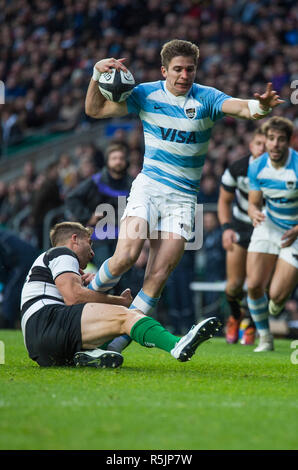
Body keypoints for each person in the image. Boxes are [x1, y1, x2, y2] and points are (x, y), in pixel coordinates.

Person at [85, 39, 283, 353]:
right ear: (164, 70)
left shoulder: (206, 98)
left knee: (158, 274)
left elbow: (243, 108)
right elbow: (94, 109)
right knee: (125, 257)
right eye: (177, 69)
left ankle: (115, 343)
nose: (184, 75)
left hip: (183, 199)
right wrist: (96, 75)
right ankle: (77, 306)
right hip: (149, 188)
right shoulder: (145, 94)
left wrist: (261, 107)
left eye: (190, 69)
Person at [20, 221, 222, 368]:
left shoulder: (51, 265)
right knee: (127, 316)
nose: (92, 251)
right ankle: (176, 345)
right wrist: (121, 302)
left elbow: (71, 297)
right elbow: (74, 297)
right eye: (89, 242)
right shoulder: (61, 253)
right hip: (47, 323)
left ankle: (89, 356)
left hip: (44, 348)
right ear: (74, 239)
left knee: (116, 321)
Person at [246, 116, 298, 352]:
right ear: (265, 141)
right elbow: (253, 203)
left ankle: (276, 304)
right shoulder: (257, 165)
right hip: (269, 225)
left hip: (295, 230)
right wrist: (254, 212)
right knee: (254, 285)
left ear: (288, 142)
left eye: (281, 139)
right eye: (271, 139)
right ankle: (265, 338)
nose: (275, 144)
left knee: (276, 298)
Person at [218, 128, 266, 345]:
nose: (262, 148)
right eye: (258, 143)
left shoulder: (283, 171)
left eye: (266, 144)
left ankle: (252, 325)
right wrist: (226, 228)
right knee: (234, 285)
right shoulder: (237, 168)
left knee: (258, 285)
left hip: (266, 230)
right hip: (240, 227)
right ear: (251, 146)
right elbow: (223, 201)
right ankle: (236, 316)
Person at [65, 143, 133, 269]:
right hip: (100, 238)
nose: (118, 161)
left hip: (125, 238)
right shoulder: (96, 181)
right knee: (105, 277)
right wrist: (87, 217)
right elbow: (72, 198)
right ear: (107, 161)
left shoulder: (133, 184)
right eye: (114, 158)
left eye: (121, 158)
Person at [0, 228, 39, 328]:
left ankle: (6, 324)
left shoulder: (3, 238)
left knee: (11, 293)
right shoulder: (4, 235)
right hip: (21, 261)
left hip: (23, 262)